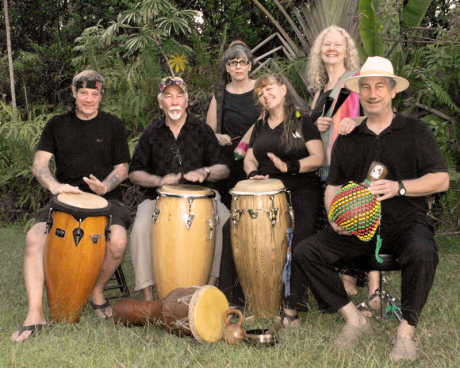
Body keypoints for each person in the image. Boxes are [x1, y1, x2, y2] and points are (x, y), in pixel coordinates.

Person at [287, 57, 449, 361]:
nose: (372, 93)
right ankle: (355, 320)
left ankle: (405, 333)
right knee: (306, 252)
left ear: (392, 91)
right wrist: (335, 217)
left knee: (423, 251)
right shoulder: (348, 137)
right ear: (359, 93)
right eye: (366, 88)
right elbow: (333, 185)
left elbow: (442, 179)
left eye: (379, 87)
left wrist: (399, 187)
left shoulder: (415, 131)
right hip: (360, 230)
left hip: (405, 224)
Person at [11, 70, 132, 342]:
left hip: (106, 199)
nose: (89, 99)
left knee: (118, 241)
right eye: (83, 93)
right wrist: (54, 186)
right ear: (74, 94)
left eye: (94, 93)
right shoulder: (56, 124)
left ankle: (96, 291)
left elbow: (122, 167)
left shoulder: (113, 125)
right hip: (64, 197)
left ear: (101, 95)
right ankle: (35, 314)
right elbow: (39, 164)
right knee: (34, 238)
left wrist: (106, 185)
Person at [218, 74, 324, 323]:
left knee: (298, 238)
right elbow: (250, 157)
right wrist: (253, 174)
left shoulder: (303, 121)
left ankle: (291, 308)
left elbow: (318, 158)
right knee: (230, 229)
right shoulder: (260, 126)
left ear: (284, 90)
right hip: (264, 192)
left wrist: (290, 167)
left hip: (300, 188)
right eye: (260, 93)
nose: (266, 95)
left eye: (269, 89)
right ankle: (235, 301)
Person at [129, 77, 230, 301]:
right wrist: (158, 180)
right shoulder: (151, 133)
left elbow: (223, 168)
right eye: (168, 96)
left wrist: (205, 172)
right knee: (140, 228)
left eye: (179, 96)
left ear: (186, 101)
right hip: (158, 199)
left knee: (224, 221)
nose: (174, 101)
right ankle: (148, 297)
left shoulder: (202, 130)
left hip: (204, 199)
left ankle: (209, 289)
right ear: (160, 102)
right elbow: (134, 172)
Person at [306, 25, 377, 296]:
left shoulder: (356, 80)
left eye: (337, 44)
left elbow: (376, 113)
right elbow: (310, 131)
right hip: (326, 164)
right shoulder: (320, 90)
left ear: (347, 50)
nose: (332, 49)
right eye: (327, 45)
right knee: (338, 219)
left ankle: (371, 289)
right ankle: (346, 280)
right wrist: (318, 125)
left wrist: (355, 119)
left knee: (361, 217)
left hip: (354, 159)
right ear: (320, 52)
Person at [206, 41, 262, 208]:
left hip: (258, 154)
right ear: (227, 67)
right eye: (232, 63)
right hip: (230, 159)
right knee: (230, 208)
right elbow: (208, 132)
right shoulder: (220, 94)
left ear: (249, 66)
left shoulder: (261, 89)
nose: (238, 67)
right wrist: (217, 136)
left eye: (242, 62)